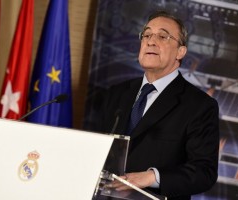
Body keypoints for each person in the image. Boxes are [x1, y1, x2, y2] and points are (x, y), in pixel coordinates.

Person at [93, 10, 220, 200]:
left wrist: (152, 177)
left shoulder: (200, 106)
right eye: (146, 35)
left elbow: (204, 172)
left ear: (181, 51)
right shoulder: (116, 93)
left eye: (162, 36)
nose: (151, 41)